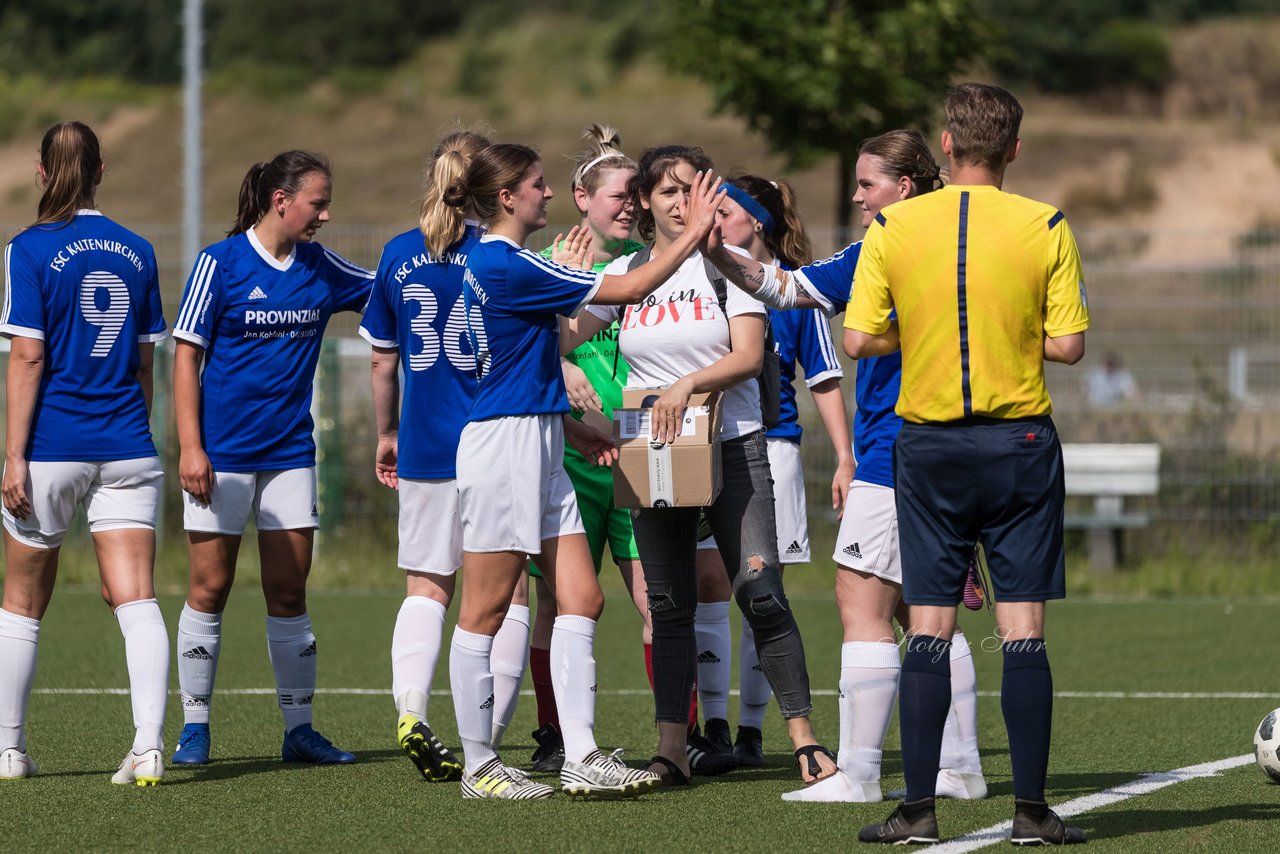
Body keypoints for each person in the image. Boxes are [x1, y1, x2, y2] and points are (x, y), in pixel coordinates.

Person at [700, 139, 988, 804]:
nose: (857, 197)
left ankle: (857, 774)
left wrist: (714, 250)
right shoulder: (970, 245)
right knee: (928, 608)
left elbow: (782, 287)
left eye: (867, 184)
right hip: (965, 448)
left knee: (861, 604)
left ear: (906, 186)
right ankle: (962, 764)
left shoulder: (882, 249)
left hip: (898, 449)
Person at [842, 85, 1089, 845]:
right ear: (1014, 148)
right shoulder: (1046, 222)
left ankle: (917, 810)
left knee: (930, 626)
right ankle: (1031, 813)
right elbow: (1069, 345)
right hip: (1018, 446)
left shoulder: (893, 224)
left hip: (931, 448)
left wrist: (922, 339)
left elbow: (857, 341)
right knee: (1023, 632)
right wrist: (1008, 342)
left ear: (946, 146)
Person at [444, 142, 724, 799]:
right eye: (538, 185)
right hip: (505, 450)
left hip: (538, 441)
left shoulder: (493, 265)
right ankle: (479, 765)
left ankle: (581, 756)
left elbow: (475, 354)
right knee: (483, 610)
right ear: (507, 198)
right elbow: (628, 287)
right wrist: (693, 235)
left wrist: (559, 421)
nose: (548, 193)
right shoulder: (507, 264)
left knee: (582, 597)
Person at [567, 145, 837, 789]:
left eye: (689, 189)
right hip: (651, 448)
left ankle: (804, 739)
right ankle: (672, 750)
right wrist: (567, 349)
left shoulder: (726, 267)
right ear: (644, 204)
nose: (679, 201)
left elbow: (747, 356)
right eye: (666, 192)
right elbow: (559, 338)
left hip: (735, 444)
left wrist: (688, 384)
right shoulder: (632, 272)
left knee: (760, 590)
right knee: (668, 603)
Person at [170, 150, 374, 767]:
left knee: (289, 591)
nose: (325, 213)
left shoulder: (318, 265)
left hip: (289, 455)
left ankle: (299, 730)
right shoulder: (220, 262)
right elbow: (184, 356)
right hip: (221, 455)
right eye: (318, 202)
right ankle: (195, 728)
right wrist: (191, 446)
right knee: (210, 587)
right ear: (281, 200)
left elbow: (388, 290)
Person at [0, 121, 170, 785]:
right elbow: (145, 361)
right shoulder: (138, 249)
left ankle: (9, 750)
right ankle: (149, 745)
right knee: (137, 600)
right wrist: (137, 429)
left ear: (42, 175)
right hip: (128, 443)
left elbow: (28, 356)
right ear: (101, 172)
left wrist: (12, 455)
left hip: (53, 448)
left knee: (20, 601)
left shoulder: (31, 249)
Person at [504, 124, 657, 773]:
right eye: (620, 194)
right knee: (559, 598)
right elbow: (519, 347)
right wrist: (559, 362)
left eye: (637, 196)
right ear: (582, 197)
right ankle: (555, 734)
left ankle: (680, 738)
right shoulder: (553, 266)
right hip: (576, 453)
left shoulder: (656, 264)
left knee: (658, 596)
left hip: (646, 444)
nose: (630, 206)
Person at [691, 175, 854, 769]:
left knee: (763, 594)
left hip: (771, 454)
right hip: (701, 449)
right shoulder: (697, 280)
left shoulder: (793, 290)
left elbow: (825, 380)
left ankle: (754, 733)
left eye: (725, 211)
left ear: (754, 223)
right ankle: (712, 726)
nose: (713, 219)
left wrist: (844, 456)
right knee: (709, 585)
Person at [360, 130, 492, 783]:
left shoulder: (397, 254)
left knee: (425, 586)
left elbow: (384, 360)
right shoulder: (494, 253)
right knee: (504, 589)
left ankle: (412, 710)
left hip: (424, 442)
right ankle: (486, 736)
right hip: (494, 438)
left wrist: (387, 433)